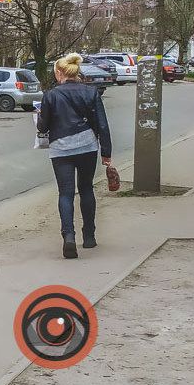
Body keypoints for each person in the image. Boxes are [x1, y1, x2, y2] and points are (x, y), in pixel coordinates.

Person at [36, 53, 112, 259]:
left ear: (59, 73)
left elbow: (42, 127)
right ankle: (89, 237)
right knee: (86, 188)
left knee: (65, 193)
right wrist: (106, 153)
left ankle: (68, 237)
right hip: (87, 146)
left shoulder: (50, 95)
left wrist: (40, 117)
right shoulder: (91, 92)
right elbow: (102, 124)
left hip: (61, 149)